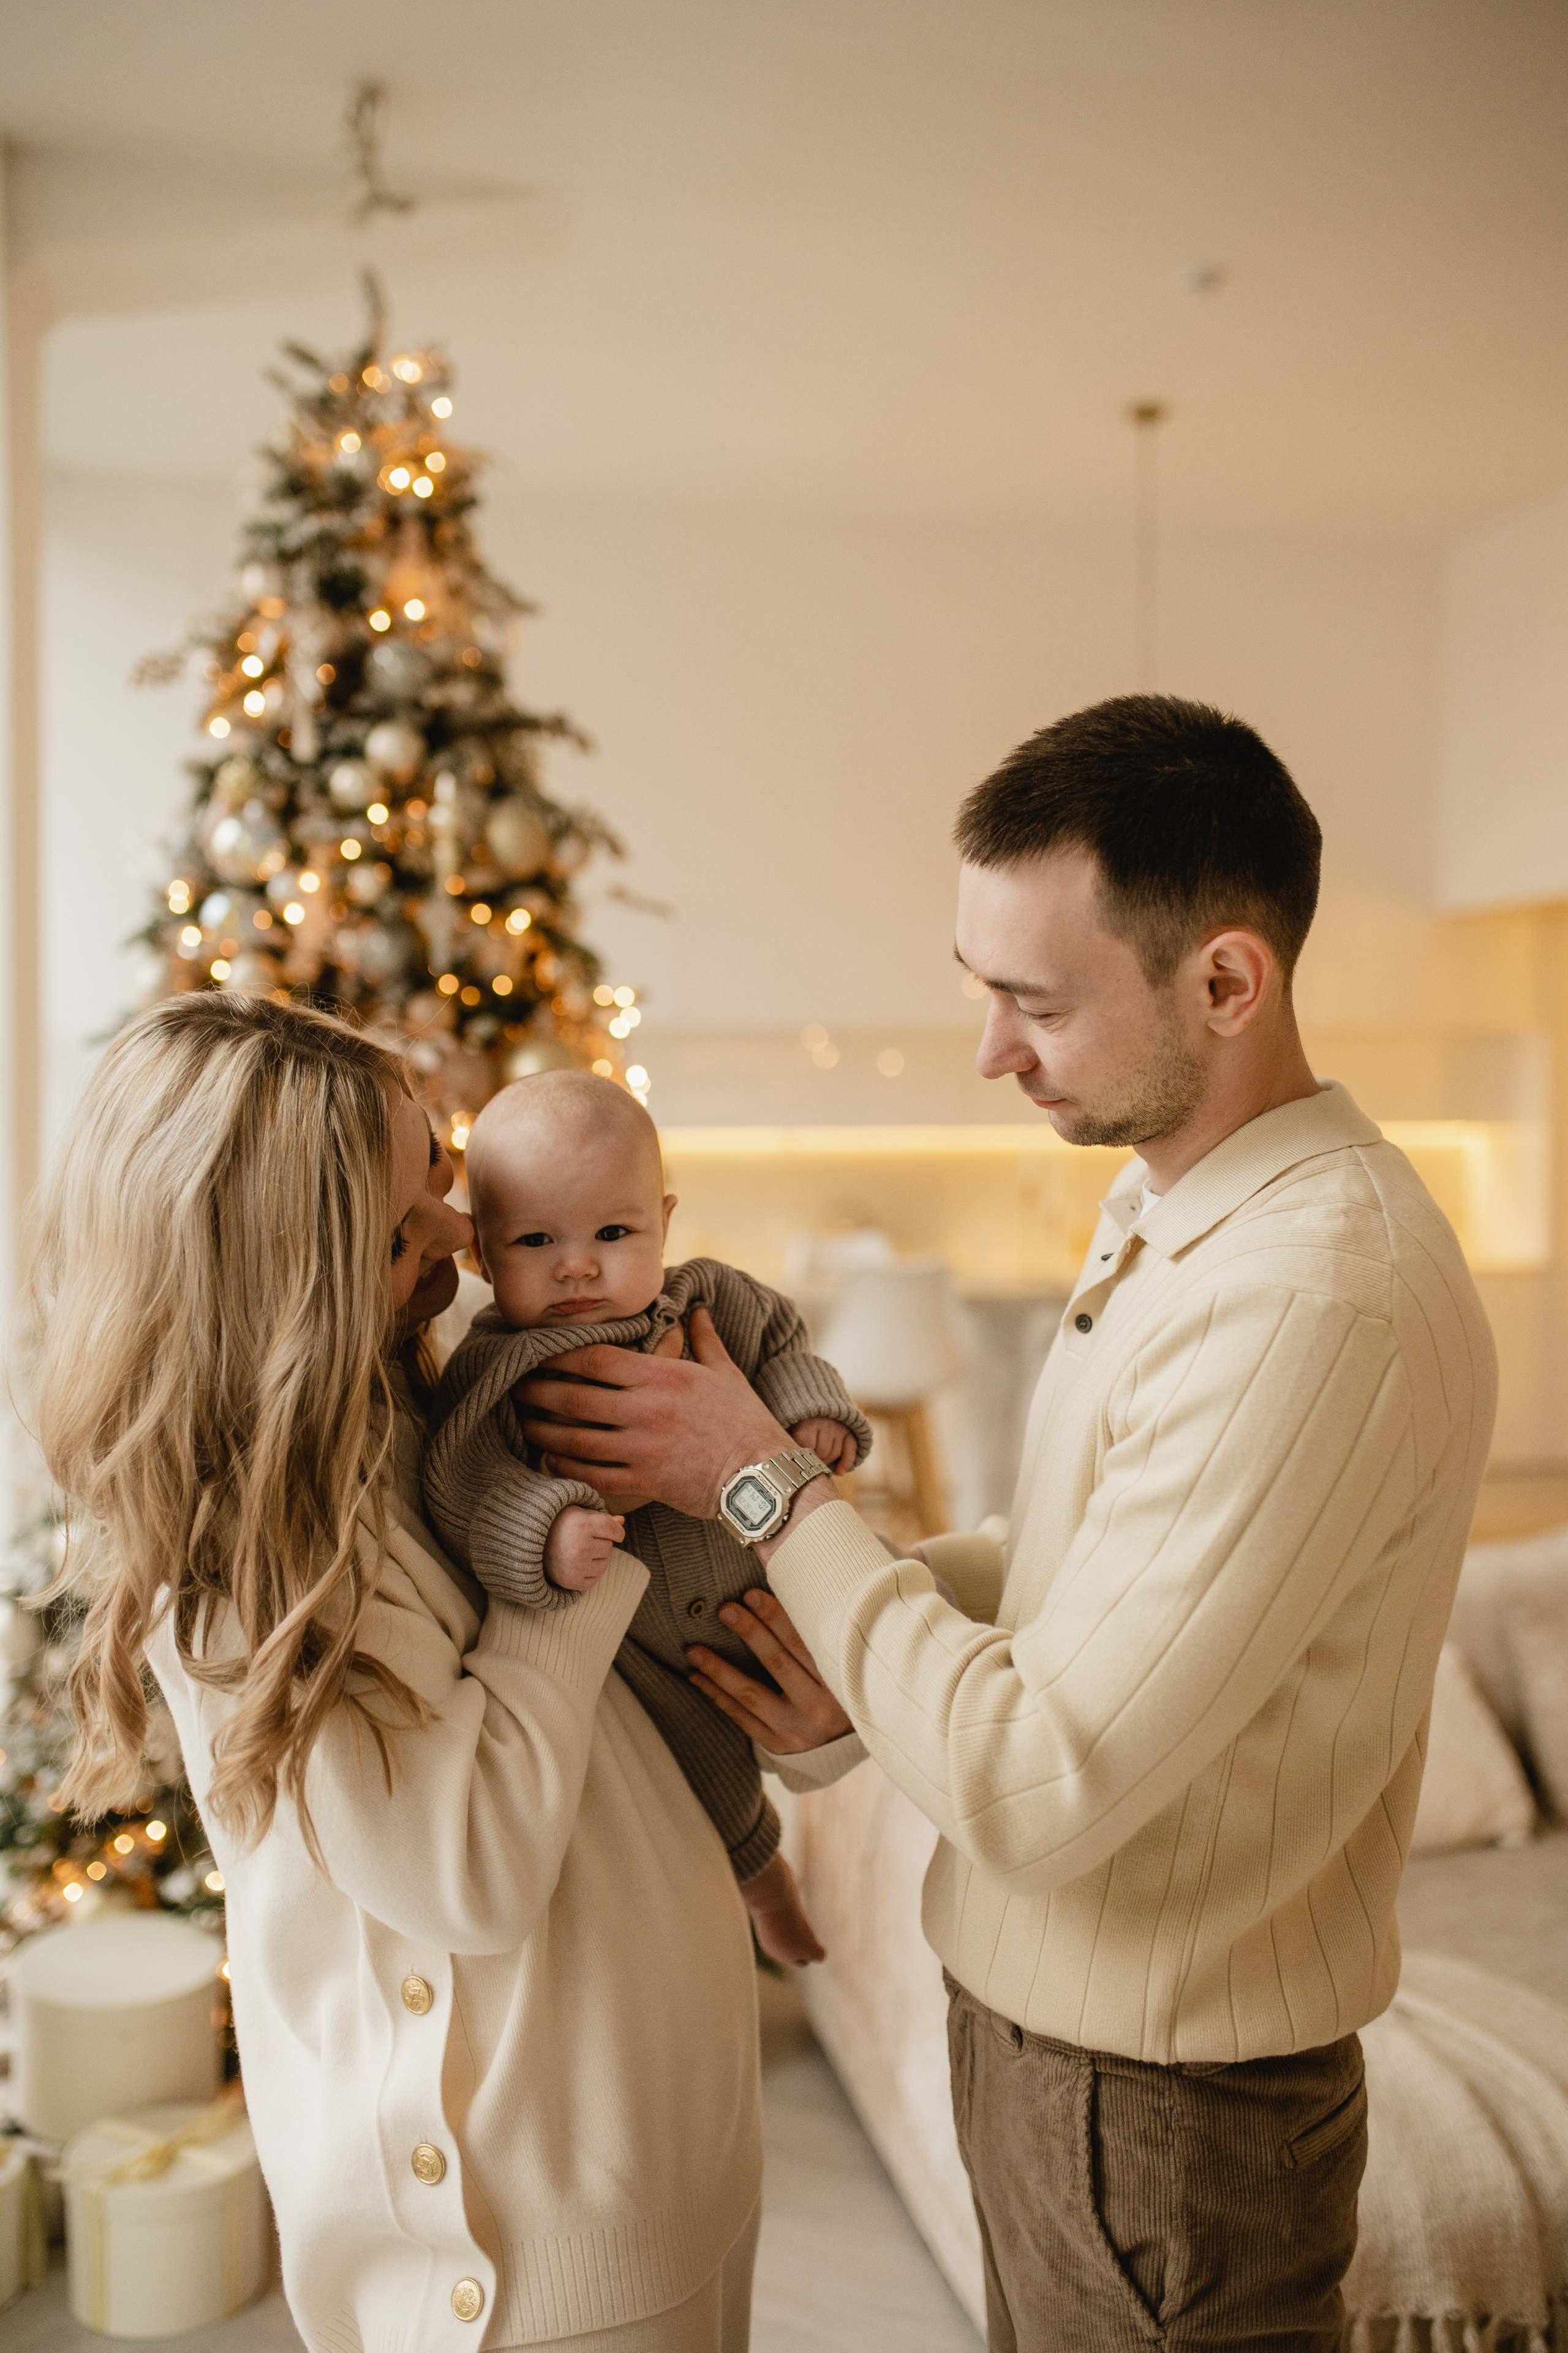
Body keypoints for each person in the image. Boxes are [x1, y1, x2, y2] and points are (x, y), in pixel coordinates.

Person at [514, 695, 1498, 2352]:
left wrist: (758, 1483)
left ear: (1229, 983)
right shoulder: (1175, 1207)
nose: (990, 1053)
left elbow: (1039, 1789)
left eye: (1036, 1002)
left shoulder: (1316, 1299)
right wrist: (846, 1603)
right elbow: (1074, 1568)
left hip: (1164, 2112)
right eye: (981, 989)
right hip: (1073, 2066)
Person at [28, 992, 856, 2353]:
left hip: (665, 2142)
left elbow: (627, 1719)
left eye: (441, 1178)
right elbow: (463, 1871)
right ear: (290, 1267)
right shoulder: (259, 1561)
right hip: (520, 2240)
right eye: (413, 1222)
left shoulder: (413, 1402)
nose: (468, 1237)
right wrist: (569, 1561)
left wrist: (807, 1704)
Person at [423, 1067, 870, 1967]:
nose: (578, 1264)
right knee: (702, 1769)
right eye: (537, 1240)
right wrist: (546, 1530)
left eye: (614, 1233)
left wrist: (812, 1414)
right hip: (655, 1648)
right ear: (482, 1257)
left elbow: (783, 1347)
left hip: (783, 1573)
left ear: (664, 1221)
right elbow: (464, 1482)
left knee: (889, 1611)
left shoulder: (714, 1299)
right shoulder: (496, 1368)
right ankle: (761, 1881)